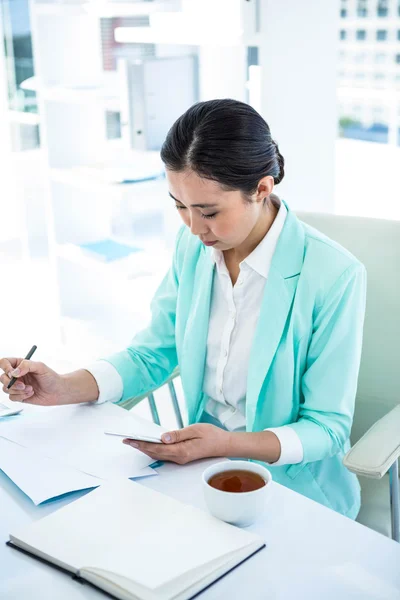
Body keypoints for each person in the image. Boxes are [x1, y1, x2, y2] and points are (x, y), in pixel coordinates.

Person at [0, 99, 366, 518]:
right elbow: (152, 353)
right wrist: (64, 386)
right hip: (201, 472)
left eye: (209, 211)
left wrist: (229, 444)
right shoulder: (194, 250)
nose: (193, 227)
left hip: (293, 490)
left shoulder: (333, 275)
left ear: (261, 190)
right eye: (179, 205)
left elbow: (327, 429)